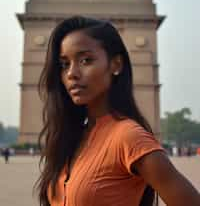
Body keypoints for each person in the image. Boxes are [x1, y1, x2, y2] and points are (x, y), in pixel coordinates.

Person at [35, 16, 200, 206]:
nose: (72, 73)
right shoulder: (73, 136)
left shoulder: (129, 137)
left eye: (86, 60)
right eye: (64, 64)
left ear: (116, 64)